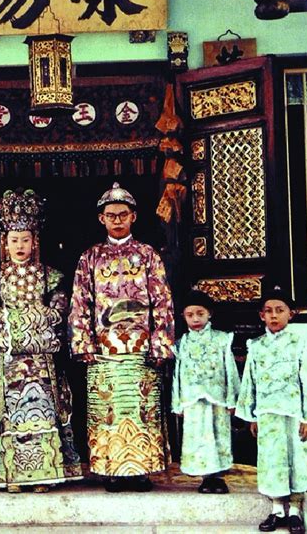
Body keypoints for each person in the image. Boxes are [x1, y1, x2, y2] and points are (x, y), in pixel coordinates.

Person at [0, 188, 82, 492]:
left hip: (41, 364)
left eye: (25, 239)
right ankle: (12, 476)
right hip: (7, 363)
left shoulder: (52, 277)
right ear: (4, 243)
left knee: (42, 413)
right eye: (14, 240)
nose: (20, 245)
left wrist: (18, 321)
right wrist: (9, 327)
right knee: (7, 416)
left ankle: (43, 474)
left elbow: (61, 312)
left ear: (35, 241)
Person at [68, 182, 174, 492]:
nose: (117, 220)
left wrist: (160, 343)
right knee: (108, 411)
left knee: (142, 409)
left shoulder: (147, 254)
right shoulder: (91, 257)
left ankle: (142, 472)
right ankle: (112, 471)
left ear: (134, 217)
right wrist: (83, 343)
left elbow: (162, 301)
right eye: (111, 215)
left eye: (123, 214)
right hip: (104, 349)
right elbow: (79, 302)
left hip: (141, 349)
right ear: (101, 218)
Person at [236, 287, 307, 534]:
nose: (274, 315)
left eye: (280, 310)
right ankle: (277, 508)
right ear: (261, 316)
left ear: (291, 314)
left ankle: (296, 511)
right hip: (267, 413)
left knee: (294, 459)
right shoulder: (256, 346)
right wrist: (251, 415)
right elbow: (249, 381)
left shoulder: (299, 343)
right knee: (271, 459)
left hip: (292, 413)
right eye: (268, 311)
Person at [171, 289, 240, 493]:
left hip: (217, 398)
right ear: (183, 316)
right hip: (192, 400)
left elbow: (230, 369)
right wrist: (178, 402)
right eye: (190, 315)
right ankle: (204, 477)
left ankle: (217, 477)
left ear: (209, 313)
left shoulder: (222, 339)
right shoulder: (182, 343)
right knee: (198, 436)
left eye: (200, 313)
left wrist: (232, 399)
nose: (195, 319)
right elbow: (178, 373)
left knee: (218, 435)